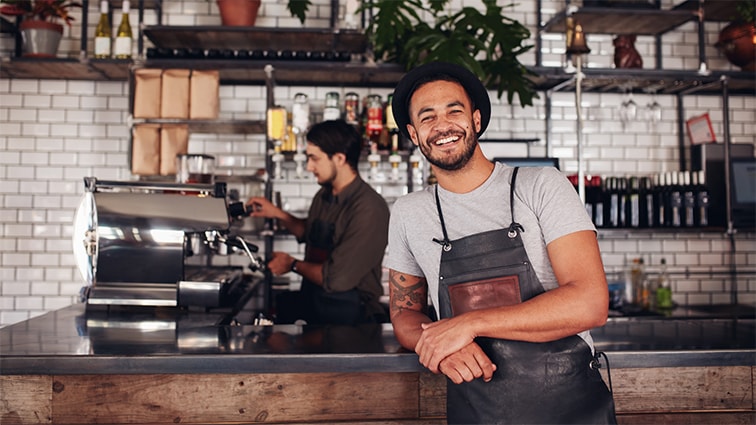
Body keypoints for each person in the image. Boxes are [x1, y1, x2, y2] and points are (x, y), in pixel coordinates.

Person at [386, 62, 617, 424]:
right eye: (427, 117)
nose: (442, 125)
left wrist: (469, 324)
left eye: (454, 110)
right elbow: (403, 313)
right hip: (476, 410)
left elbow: (590, 303)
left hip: (569, 408)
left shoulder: (541, 186)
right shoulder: (409, 213)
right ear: (414, 135)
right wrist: (435, 346)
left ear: (476, 120)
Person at [247, 119, 390, 326]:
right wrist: (277, 213)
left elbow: (337, 279)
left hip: (352, 319)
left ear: (339, 158)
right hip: (317, 307)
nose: (308, 166)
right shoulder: (324, 195)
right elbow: (310, 233)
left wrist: (292, 264)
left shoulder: (369, 208)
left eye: (314, 158)